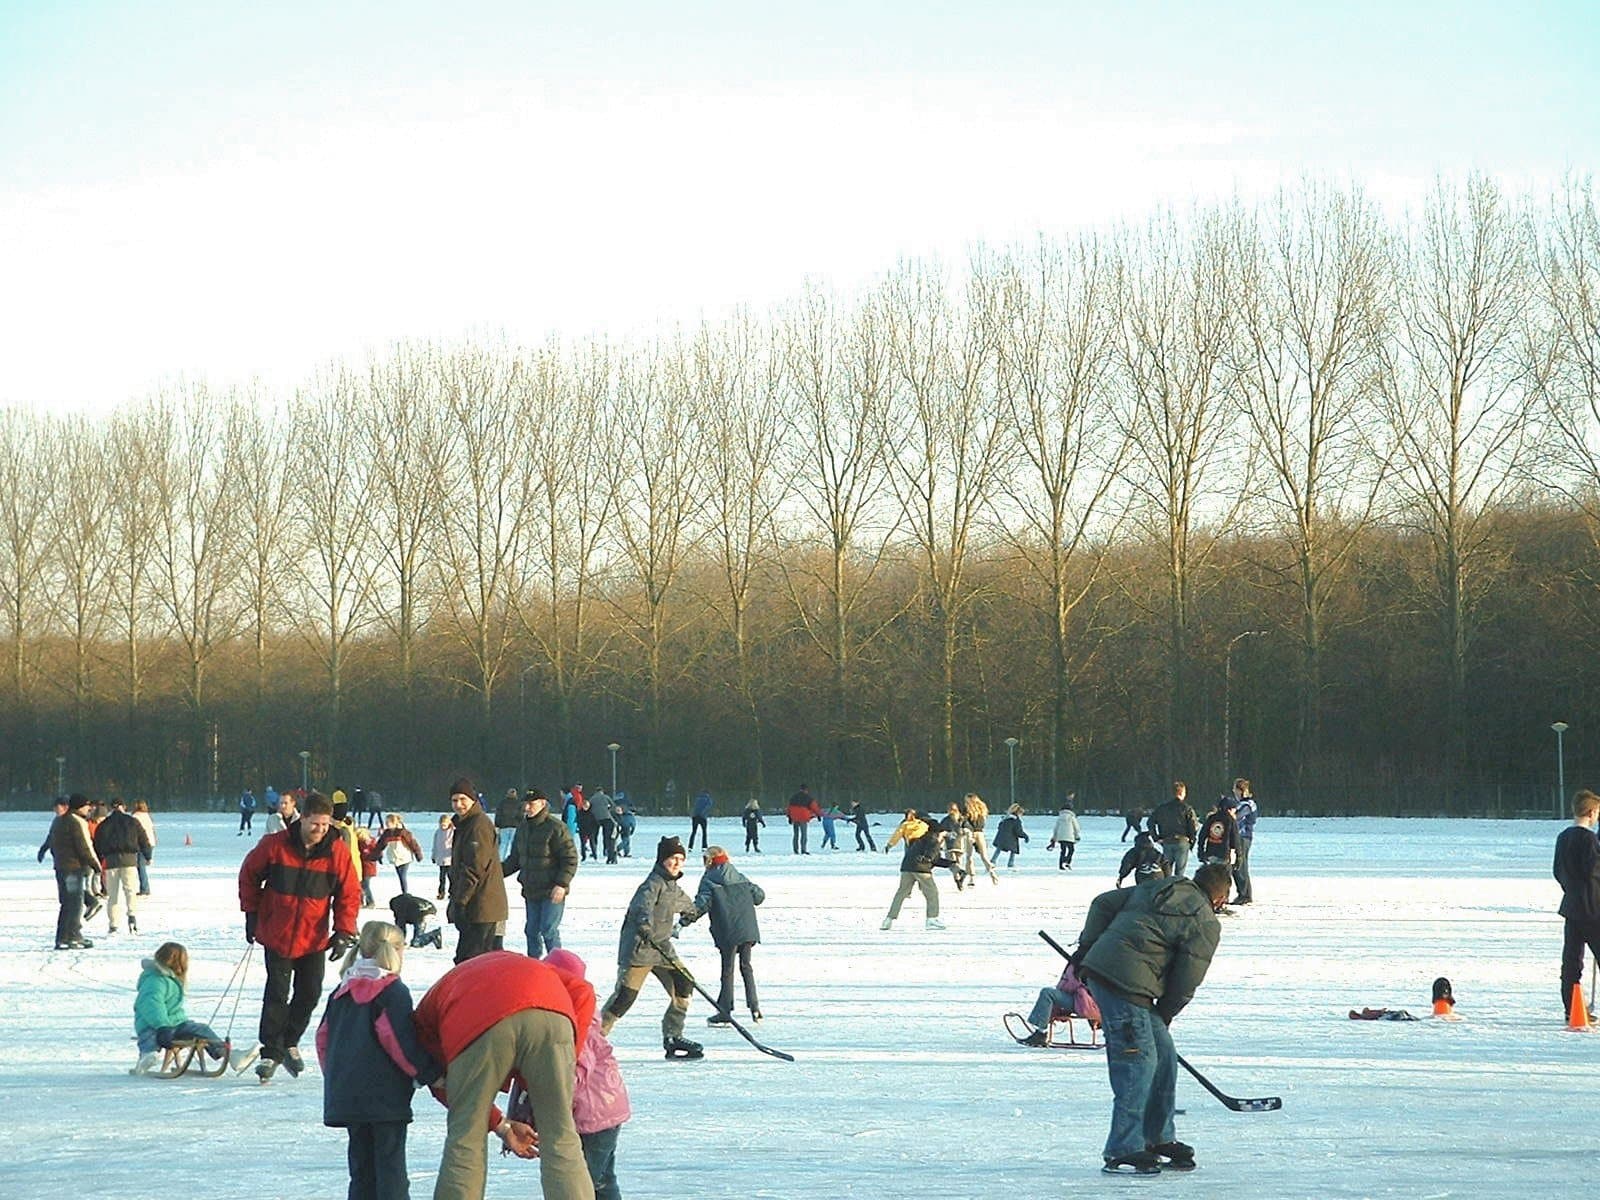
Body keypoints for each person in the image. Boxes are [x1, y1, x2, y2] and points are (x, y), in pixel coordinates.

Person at [1075, 862, 1229, 1176]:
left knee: (1163, 1055)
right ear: (1221, 898)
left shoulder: (1159, 887)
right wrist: (1167, 1012)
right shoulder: (1205, 921)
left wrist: (1088, 947)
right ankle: (1122, 1148)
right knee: (1137, 1062)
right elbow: (1187, 979)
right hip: (1122, 983)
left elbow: (1102, 903)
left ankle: (1157, 1137)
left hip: (1118, 978)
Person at [414, 950, 597, 1200]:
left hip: (476, 1021)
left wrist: (497, 1120)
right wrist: (563, 1066)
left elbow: (448, 1088)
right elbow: (583, 991)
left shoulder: (422, 1029)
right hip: (551, 1009)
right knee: (560, 1135)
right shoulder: (522, 964)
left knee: (466, 1136)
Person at [238, 790, 360, 1082]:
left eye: (325, 824)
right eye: (315, 823)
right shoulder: (275, 845)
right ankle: (271, 1052)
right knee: (277, 993)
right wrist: (251, 913)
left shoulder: (337, 852)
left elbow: (349, 893)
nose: (320, 829)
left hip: (313, 937)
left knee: (309, 993)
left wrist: (343, 930)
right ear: (302, 818)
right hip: (277, 933)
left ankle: (288, 1041)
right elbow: (248, 875)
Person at [317, 920, 441, 1200]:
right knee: (390, 1170)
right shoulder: (391, 991)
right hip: (385, 1099)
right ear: (397, 950)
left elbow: (323, 1039)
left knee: (362, 1172)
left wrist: (338, 1077)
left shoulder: (341, 991)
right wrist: (429, 1073)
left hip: (348, 1095)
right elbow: (398, 1042)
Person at [598, 837, 704, 1060]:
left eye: (681, 859)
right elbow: (641, 907)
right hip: (640, 948)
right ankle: (594, 1037)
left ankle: (673, 1035)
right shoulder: (652, 884)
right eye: (672, 858)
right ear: (662, 860)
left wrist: (698, 910)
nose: (677, 863)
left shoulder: (672, 886)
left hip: (662, 948)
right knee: (624, 997)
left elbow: (688, 906)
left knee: (685, 983)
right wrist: (645, 925)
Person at [540, 949, 631, 1200]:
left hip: (593, 1117)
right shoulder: (581, 1015)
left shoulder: (577, 1023)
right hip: (606, 1111)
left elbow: (575, 1068)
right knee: (602, 1181)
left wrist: (553, 1106)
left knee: (580, 1183)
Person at [132, 941, 253, 1074]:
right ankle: (147, 1056)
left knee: (202, 1030)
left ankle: (230, 1055)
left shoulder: (170, 978)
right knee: (149, 1037)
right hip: (152, 1024)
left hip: (176, 1023)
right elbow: (152, 1005)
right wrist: (162, 1026)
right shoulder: (155, 980)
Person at [692, 846, 766, 1024]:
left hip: (727, 930)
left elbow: (701, 905)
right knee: (746, 967)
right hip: (747, 929)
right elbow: (759, 896)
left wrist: (682, 922)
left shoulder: (709, 879)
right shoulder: (738, 875)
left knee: (728, 970)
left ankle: (725, 1011)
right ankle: (755, 1008)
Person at [503, 788, 579, 958]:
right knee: (531, 931)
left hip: (552, 890)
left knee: (548, 929)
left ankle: (557, 965)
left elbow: (570, 859)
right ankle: (534, 964)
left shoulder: (556, 827)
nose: (527, 808)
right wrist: (494, 873)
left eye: (532, 804)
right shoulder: (523, 828)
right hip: (531, 889)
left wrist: (561, 884)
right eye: (526, 804)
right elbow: (515, 859)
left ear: (543, 804)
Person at [447, 778, 508, 964]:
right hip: (475, 904)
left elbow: (474, 868)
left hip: (482, 905)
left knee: (472, 961)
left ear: (473, 800)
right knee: (474, 960)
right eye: (454, 800)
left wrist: (460, 902)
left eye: (463, 799)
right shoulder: (465, 824)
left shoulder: (478, 826)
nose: (458, 805)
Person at [1554, 788, 1600, 1018]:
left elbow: (1557, 871)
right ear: (1591, 813)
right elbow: (1594, 871)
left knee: (1572, 961)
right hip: (1592, 909)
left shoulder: (1563, 837)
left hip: (1572, 907)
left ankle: (1571, 1007)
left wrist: (1570, 890)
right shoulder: (1589, 839)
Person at [880, 809, 946, 931]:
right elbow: (933, 857)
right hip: (920, 867)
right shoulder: (931, 835)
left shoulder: (907, 825)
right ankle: (932, 919)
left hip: (907, 863)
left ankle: (888, 920)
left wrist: (889, 845)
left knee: (901, 893)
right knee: (932, 893)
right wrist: (928, 860)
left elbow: (897, 835)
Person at [46, 794, 98, 950]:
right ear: (79, 806)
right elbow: (83, 847)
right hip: (73, 869)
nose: (89, 808)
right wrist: (95, 865)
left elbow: (52, 844)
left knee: (67, 903)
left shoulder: (58, 821)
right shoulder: (76, 822)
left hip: (61, 868)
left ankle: (62, 937)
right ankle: (73, 936)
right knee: (74, 903)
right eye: (86, 805)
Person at [93, 797, 151, 934]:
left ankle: (113, 924)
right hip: (129, 860)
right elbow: (143, 839)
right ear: (123, 807)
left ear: (111, 808)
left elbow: (97, 844)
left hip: (111, 861)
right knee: (130, 891)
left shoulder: (104, 824)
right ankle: (132, 918)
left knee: (112, 895)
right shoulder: (132, 822)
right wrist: (147, 855)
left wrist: (99, 860)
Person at [1149, 781, 1198, 879]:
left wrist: (1156, 838)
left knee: (1167, 871)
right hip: (1182, 841)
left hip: (1167, 841)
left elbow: (1150, 822)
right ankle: (1177, 886)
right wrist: (1192, 839)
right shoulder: (1187, 808)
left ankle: (1167, 886)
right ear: (1182, 793)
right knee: (1179, 872)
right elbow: (1193, 825)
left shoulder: (1162, 808)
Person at [378, 813, 424, 895]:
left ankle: (405, 893)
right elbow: (380, 845)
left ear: (394, 823)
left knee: (402, 876)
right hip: (394, 857)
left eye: (388, 822)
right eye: (386, 822)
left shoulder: (402, 832)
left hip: (405, 857)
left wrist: (418, 854)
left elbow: (412, 843)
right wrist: (378, 855)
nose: (386, 824)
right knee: (400, 876)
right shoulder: (387, 833)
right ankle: (404, 892)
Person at [962, 793, 1000, 883]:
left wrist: (966, 829)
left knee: (969, 856)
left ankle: (971, 878)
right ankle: (992, 873)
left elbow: (965, 822)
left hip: (969, 833)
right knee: (984, 856)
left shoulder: (967, 809)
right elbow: (982, 823)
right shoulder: (982, 809)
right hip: (980, 832)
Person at [1231, 778, 1257, 905]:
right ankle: (1241, 893)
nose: (1233, 791)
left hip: (1244, 837)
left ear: (1240, 790)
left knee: (1241, 865)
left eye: (1235, 789)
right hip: (1238, 837)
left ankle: (1245, 894)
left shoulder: (1248, 804)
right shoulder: (1239, 804)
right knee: (1236, 865)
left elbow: (1237, 816)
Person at [1197, 794, 1239, 872]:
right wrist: (1238, 857)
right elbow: (1235, 839)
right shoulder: (1230, 820)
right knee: (1223, 877)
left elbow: (1202, 835)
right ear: (1229, 809)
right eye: (1234, 809)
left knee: (1212, 875)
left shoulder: (1211, 818)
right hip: (1224, 854)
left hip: (1211, 852)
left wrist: (1200, 851)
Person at [131, 799, 156, 895]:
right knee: (143, 866)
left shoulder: (135, 817)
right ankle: (145, 887)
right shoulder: (148, 816)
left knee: (140, 867)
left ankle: (144, 888)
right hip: (151, 842)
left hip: (141, 843)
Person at [786, 785, 820, 854]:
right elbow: (814, 807)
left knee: (796, 835)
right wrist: (818, 814)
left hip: (795, 817)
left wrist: (789, 817)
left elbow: (789, 807)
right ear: (806, 790)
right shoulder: (808, 798)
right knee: (804, 834)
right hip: (803, 817)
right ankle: (803, 850)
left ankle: (795, 850)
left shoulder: (793, 797)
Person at [494, 788, 523, 859]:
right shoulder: (518, 803)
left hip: (504, 826)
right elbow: (521, 816)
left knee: (503, 844)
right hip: (515, 826)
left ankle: (500, 859)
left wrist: (497, 824)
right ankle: (511, 859)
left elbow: (498, 814)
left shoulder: (502, 803)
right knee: (513, 844)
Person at [432, 813, 455, 901]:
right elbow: (435, 845)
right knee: (442, 878)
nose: (443, 826)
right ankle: (441, 892)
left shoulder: (453, 832)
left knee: (451, 877)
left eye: (444, 825)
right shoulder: (438, 832)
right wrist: (434, 856)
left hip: (450, 859)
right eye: (441, 825)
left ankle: (452, 892)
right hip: (441, 859)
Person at [593, 788, 619, 864]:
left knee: (595, 836)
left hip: (596, 819)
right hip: (607, 819)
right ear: (602, 791)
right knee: (610, 838)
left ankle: (596, 851)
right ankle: (610, 854)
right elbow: (613, 806)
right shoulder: (606, 797)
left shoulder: (592, 798)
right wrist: (608, 810)